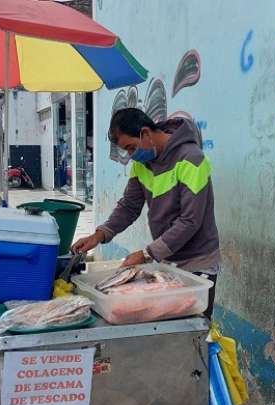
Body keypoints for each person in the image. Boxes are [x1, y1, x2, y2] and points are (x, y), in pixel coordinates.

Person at [72, 108, 220, 318]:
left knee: (192, 328)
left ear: (146, 133)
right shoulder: (142, 164)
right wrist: (99, 235)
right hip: (168, 260)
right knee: (167, 329)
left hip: (198, 261)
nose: (132, 155)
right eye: (127, 151)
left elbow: (190, 221)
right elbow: (129, 206)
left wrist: (146, 254)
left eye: (132, 147)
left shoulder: (192, 159)